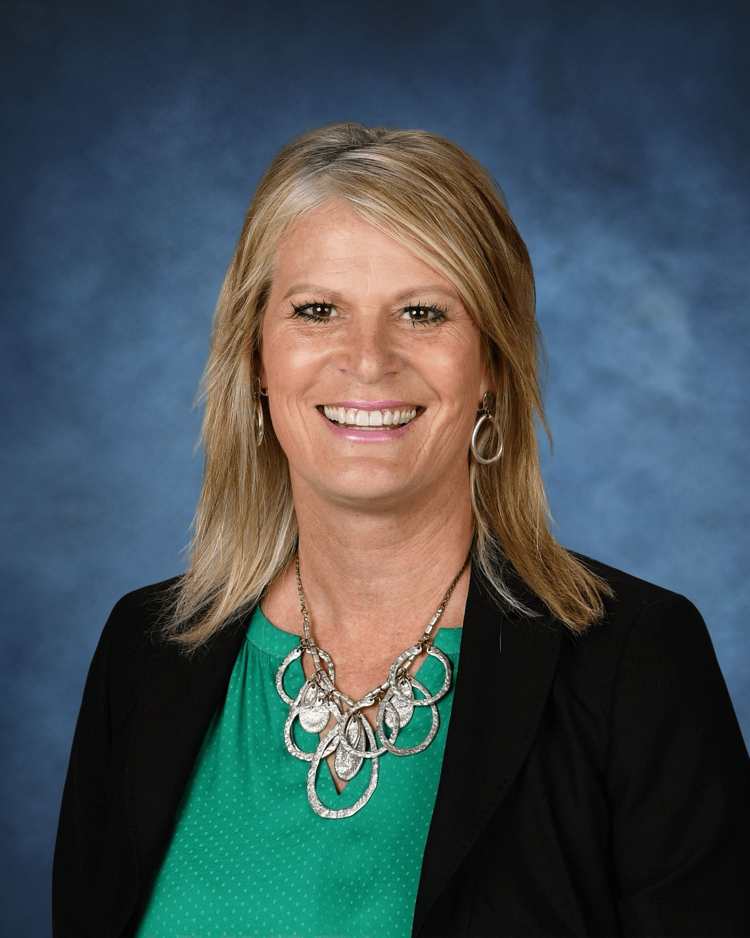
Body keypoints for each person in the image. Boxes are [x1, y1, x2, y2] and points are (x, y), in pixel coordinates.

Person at [53, 122, 750, 938]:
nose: (369, 360)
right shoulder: (144, 652)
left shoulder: (634, 664)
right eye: (318, 311)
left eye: (423, 313)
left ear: (491, 362)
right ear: (254, 358)